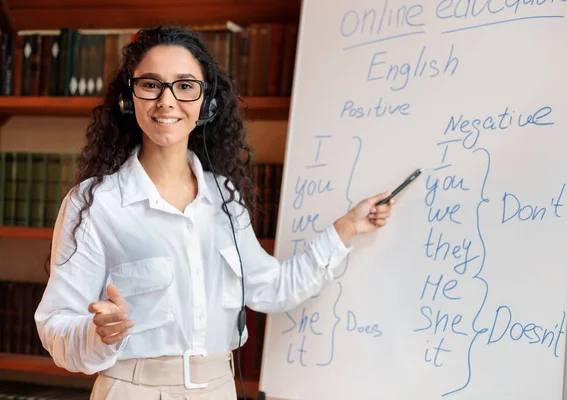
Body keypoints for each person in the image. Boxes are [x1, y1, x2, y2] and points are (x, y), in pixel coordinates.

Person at [34, 25, 396, 400]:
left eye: (186, 86)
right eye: (151, 84)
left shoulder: (224, 198)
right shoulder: (95, 203)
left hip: (218, 389)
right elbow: (55, 324)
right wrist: (97, 334)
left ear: (206, 103)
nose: (167, 100)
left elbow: (273, 288)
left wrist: (348, 227)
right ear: (130, 98)